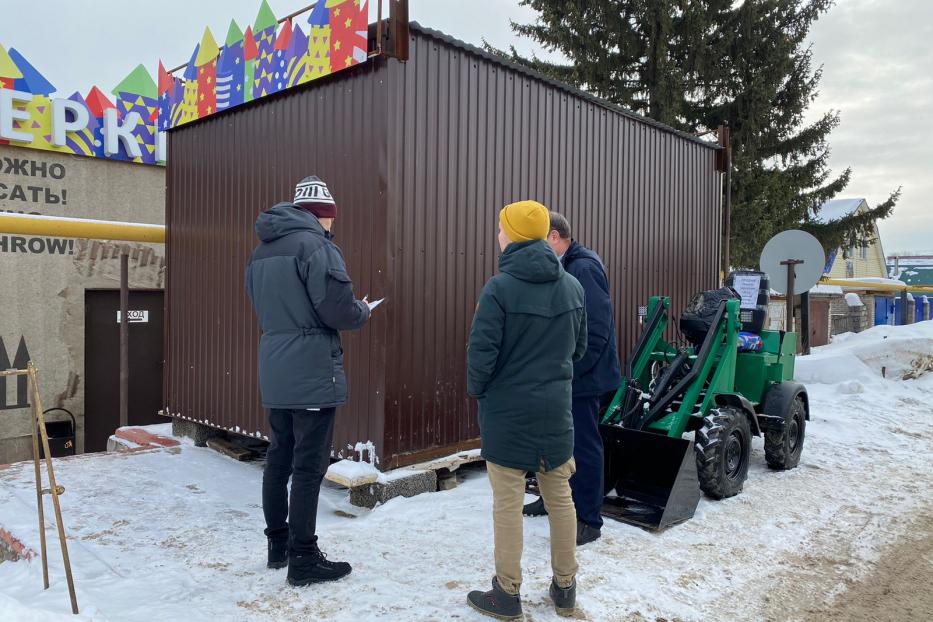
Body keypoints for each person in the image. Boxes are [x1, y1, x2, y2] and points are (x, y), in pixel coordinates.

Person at [245, 175, 370, 587]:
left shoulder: (261, 251)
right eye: (332, 218)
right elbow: (336, 310)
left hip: (274, 365)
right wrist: (362, 311)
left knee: (278, 458)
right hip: (312, 369)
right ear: (324, 215)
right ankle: (303, 559)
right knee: (309, 466)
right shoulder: (318, 246)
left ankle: (277, 546)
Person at [466, 200, 587, 620]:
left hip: (508, 412)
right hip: (556, 411)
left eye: (501, 228)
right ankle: (566, 587)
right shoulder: (572, 286)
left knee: (507, 501)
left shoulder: (499, 288)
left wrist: (479, 391)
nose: (498, 234)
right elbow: (580, 348)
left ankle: (507, 593)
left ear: (514, 234)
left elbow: (481, 356)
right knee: (561, 498)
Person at [524, 212, 622, 546]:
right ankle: (552, 499)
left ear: (554, 237)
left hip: (584, 377)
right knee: (552, 441)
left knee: (584, 445)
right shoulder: (562, 266)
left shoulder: (583, 268)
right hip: (563, 375)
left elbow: (596, 330)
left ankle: (589, 519)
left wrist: (572, 371)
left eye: (537, 242)